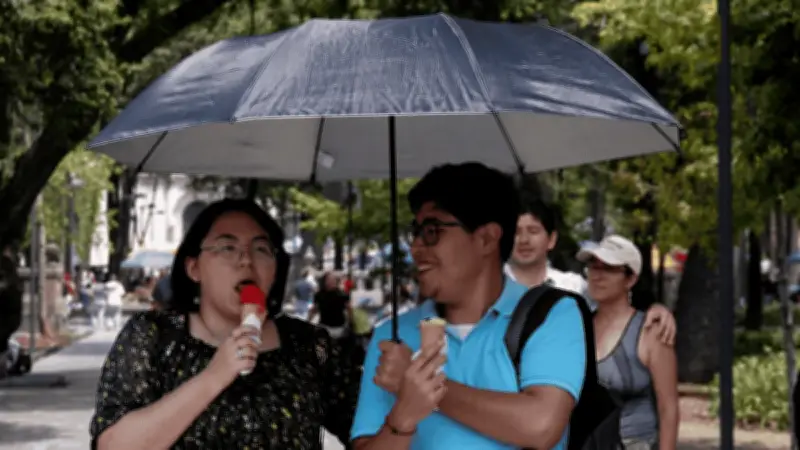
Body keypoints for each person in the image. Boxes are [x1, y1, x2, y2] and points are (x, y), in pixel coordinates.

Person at [90, 199, 359, 449]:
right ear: (194, 268)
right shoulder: (152, 335)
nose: (246, 260)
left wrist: (400, 414)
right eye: (227, 247)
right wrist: (214, 376)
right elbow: (112, 445)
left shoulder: (310, 345)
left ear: (275, 269)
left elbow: (366, 436)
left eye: (261, 249)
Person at [352, 163, 585, 449]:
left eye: (432, 231)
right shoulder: (393, 336)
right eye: (415, 231)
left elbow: (541, 425)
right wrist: (402, 418)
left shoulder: (550, 316)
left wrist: (422, 383)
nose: (415, 247)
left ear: (486, 238)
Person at [507, 197, 677, 345]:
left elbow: (616, 303)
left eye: (533, 231)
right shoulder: (490, 286)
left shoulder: (572, 287)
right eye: (516, 232)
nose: (524, 240)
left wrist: (656, 309)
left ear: (551, 239)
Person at [577, 235, 679, 450]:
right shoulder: (578, 326)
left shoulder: (651, 331)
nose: (597, 276)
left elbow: (668, 408)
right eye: (593, 267)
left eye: (609, 269)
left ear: (630, 279)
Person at [309, 271, 352, 340]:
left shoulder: (343, 294)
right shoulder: (319, 295)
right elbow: (314, 309)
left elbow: (349, 309)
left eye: (333, 280)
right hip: (324, 327)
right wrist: (308, 320)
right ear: (324, 281)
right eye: (329, 279)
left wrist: (350, 323)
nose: (331, 282)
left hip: (339, 329)